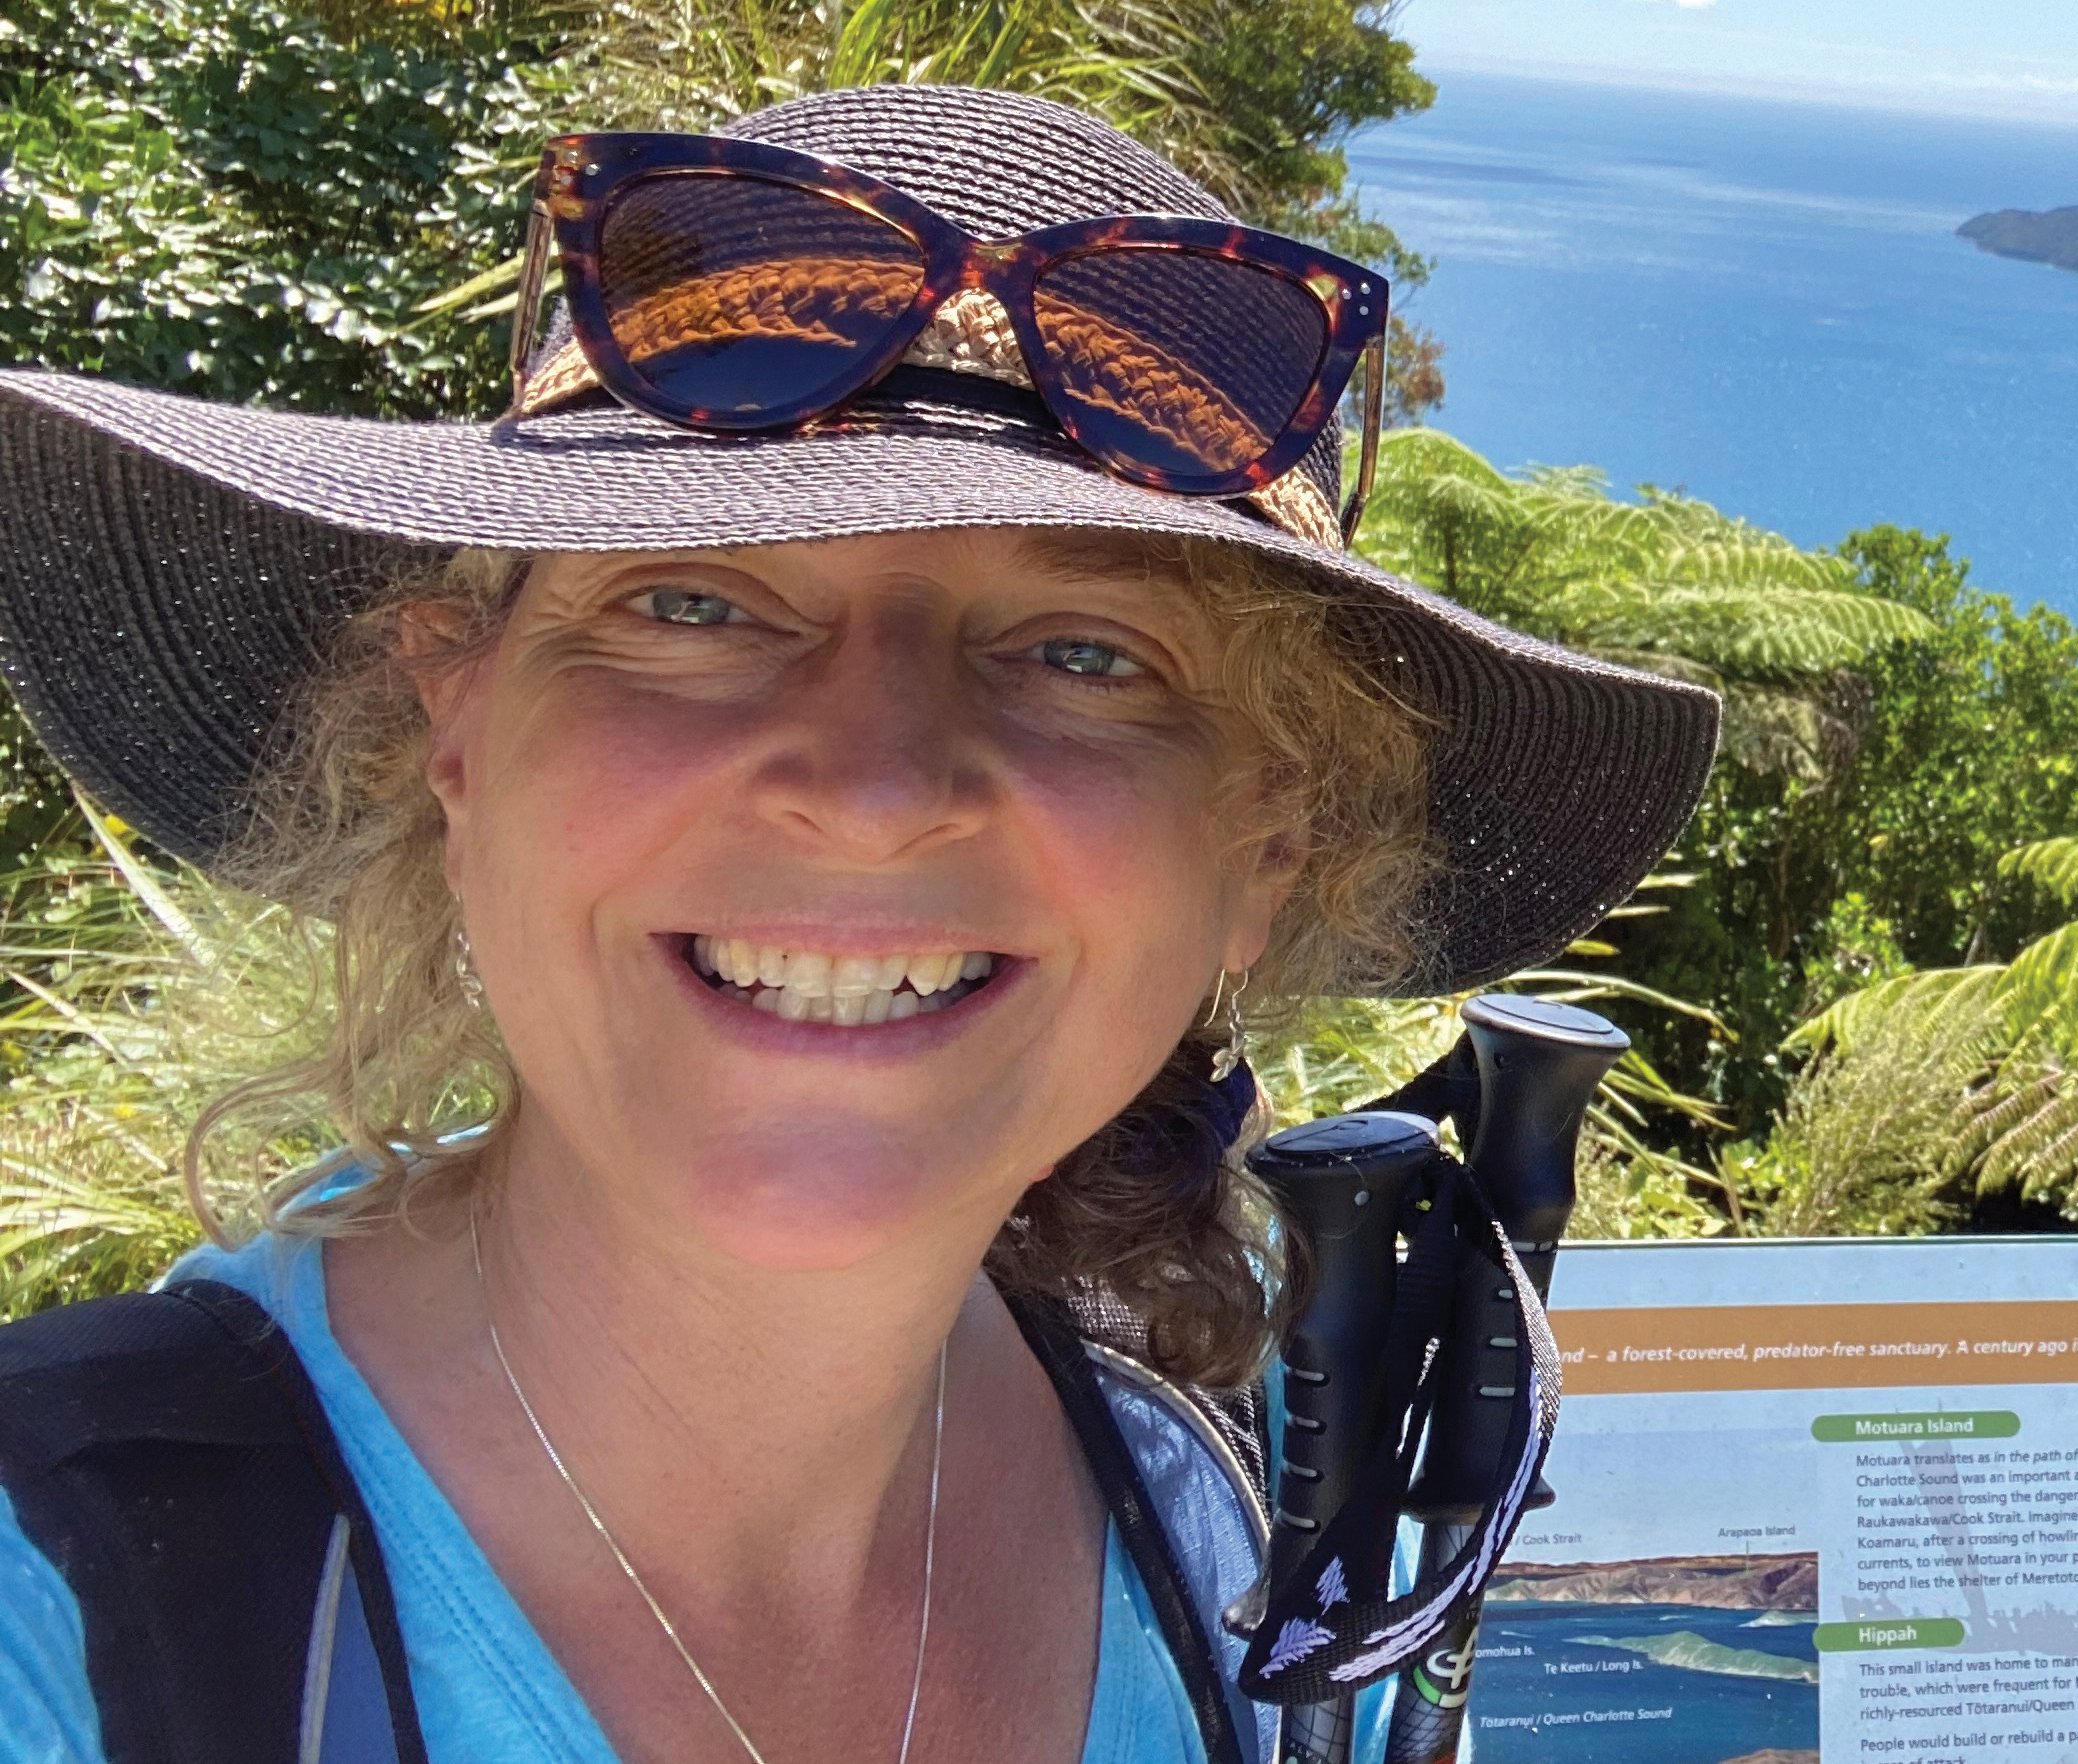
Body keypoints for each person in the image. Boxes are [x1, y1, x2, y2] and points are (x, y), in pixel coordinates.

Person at [0, 83, 1714, 1763]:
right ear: (456, 737)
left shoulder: (1231, 1516)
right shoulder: (55, 1609)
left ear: (1260, 851)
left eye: (1083, 653)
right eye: (693, 604)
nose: (878, 787)